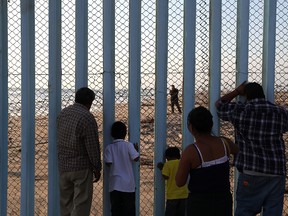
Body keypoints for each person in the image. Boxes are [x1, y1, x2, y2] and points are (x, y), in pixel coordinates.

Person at [215, 81, 288, 216]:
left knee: (245, 211)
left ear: (246, 95)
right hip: (276, 170)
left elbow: (220, 105)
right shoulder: (280, 112)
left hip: (251, 170)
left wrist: (236, 91)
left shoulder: (241, 111)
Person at [175, 106, 239, 216]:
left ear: (191, 127)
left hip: (199, 204)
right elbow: (238, 150)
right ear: (211, 124)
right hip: (223, 200)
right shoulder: (225, 143)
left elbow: (179, 182)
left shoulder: (191, 151)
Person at [57, 87, 102, 216]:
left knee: (65, 205)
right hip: (81, 167)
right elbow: (92, 146)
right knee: (81, 205)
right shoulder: (87, 117)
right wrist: (97, 167)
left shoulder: (63, 114)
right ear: (90, 102)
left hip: (64, 166)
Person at [104, 121, 140, 216]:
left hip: (115, 185)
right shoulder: (128, 145)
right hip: (128, 185)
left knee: (116, 211)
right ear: (125, 133)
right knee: (129, 211)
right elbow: (136, 158)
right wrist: (136, 150)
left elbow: (108, 163)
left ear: (112, 134)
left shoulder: (109, 148)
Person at [157, 146, 188, 216]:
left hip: (172, 196)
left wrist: (162, 168)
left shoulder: (167, 164)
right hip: (184, 195)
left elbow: (166, 176)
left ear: (167, 157)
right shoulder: (182, 163)